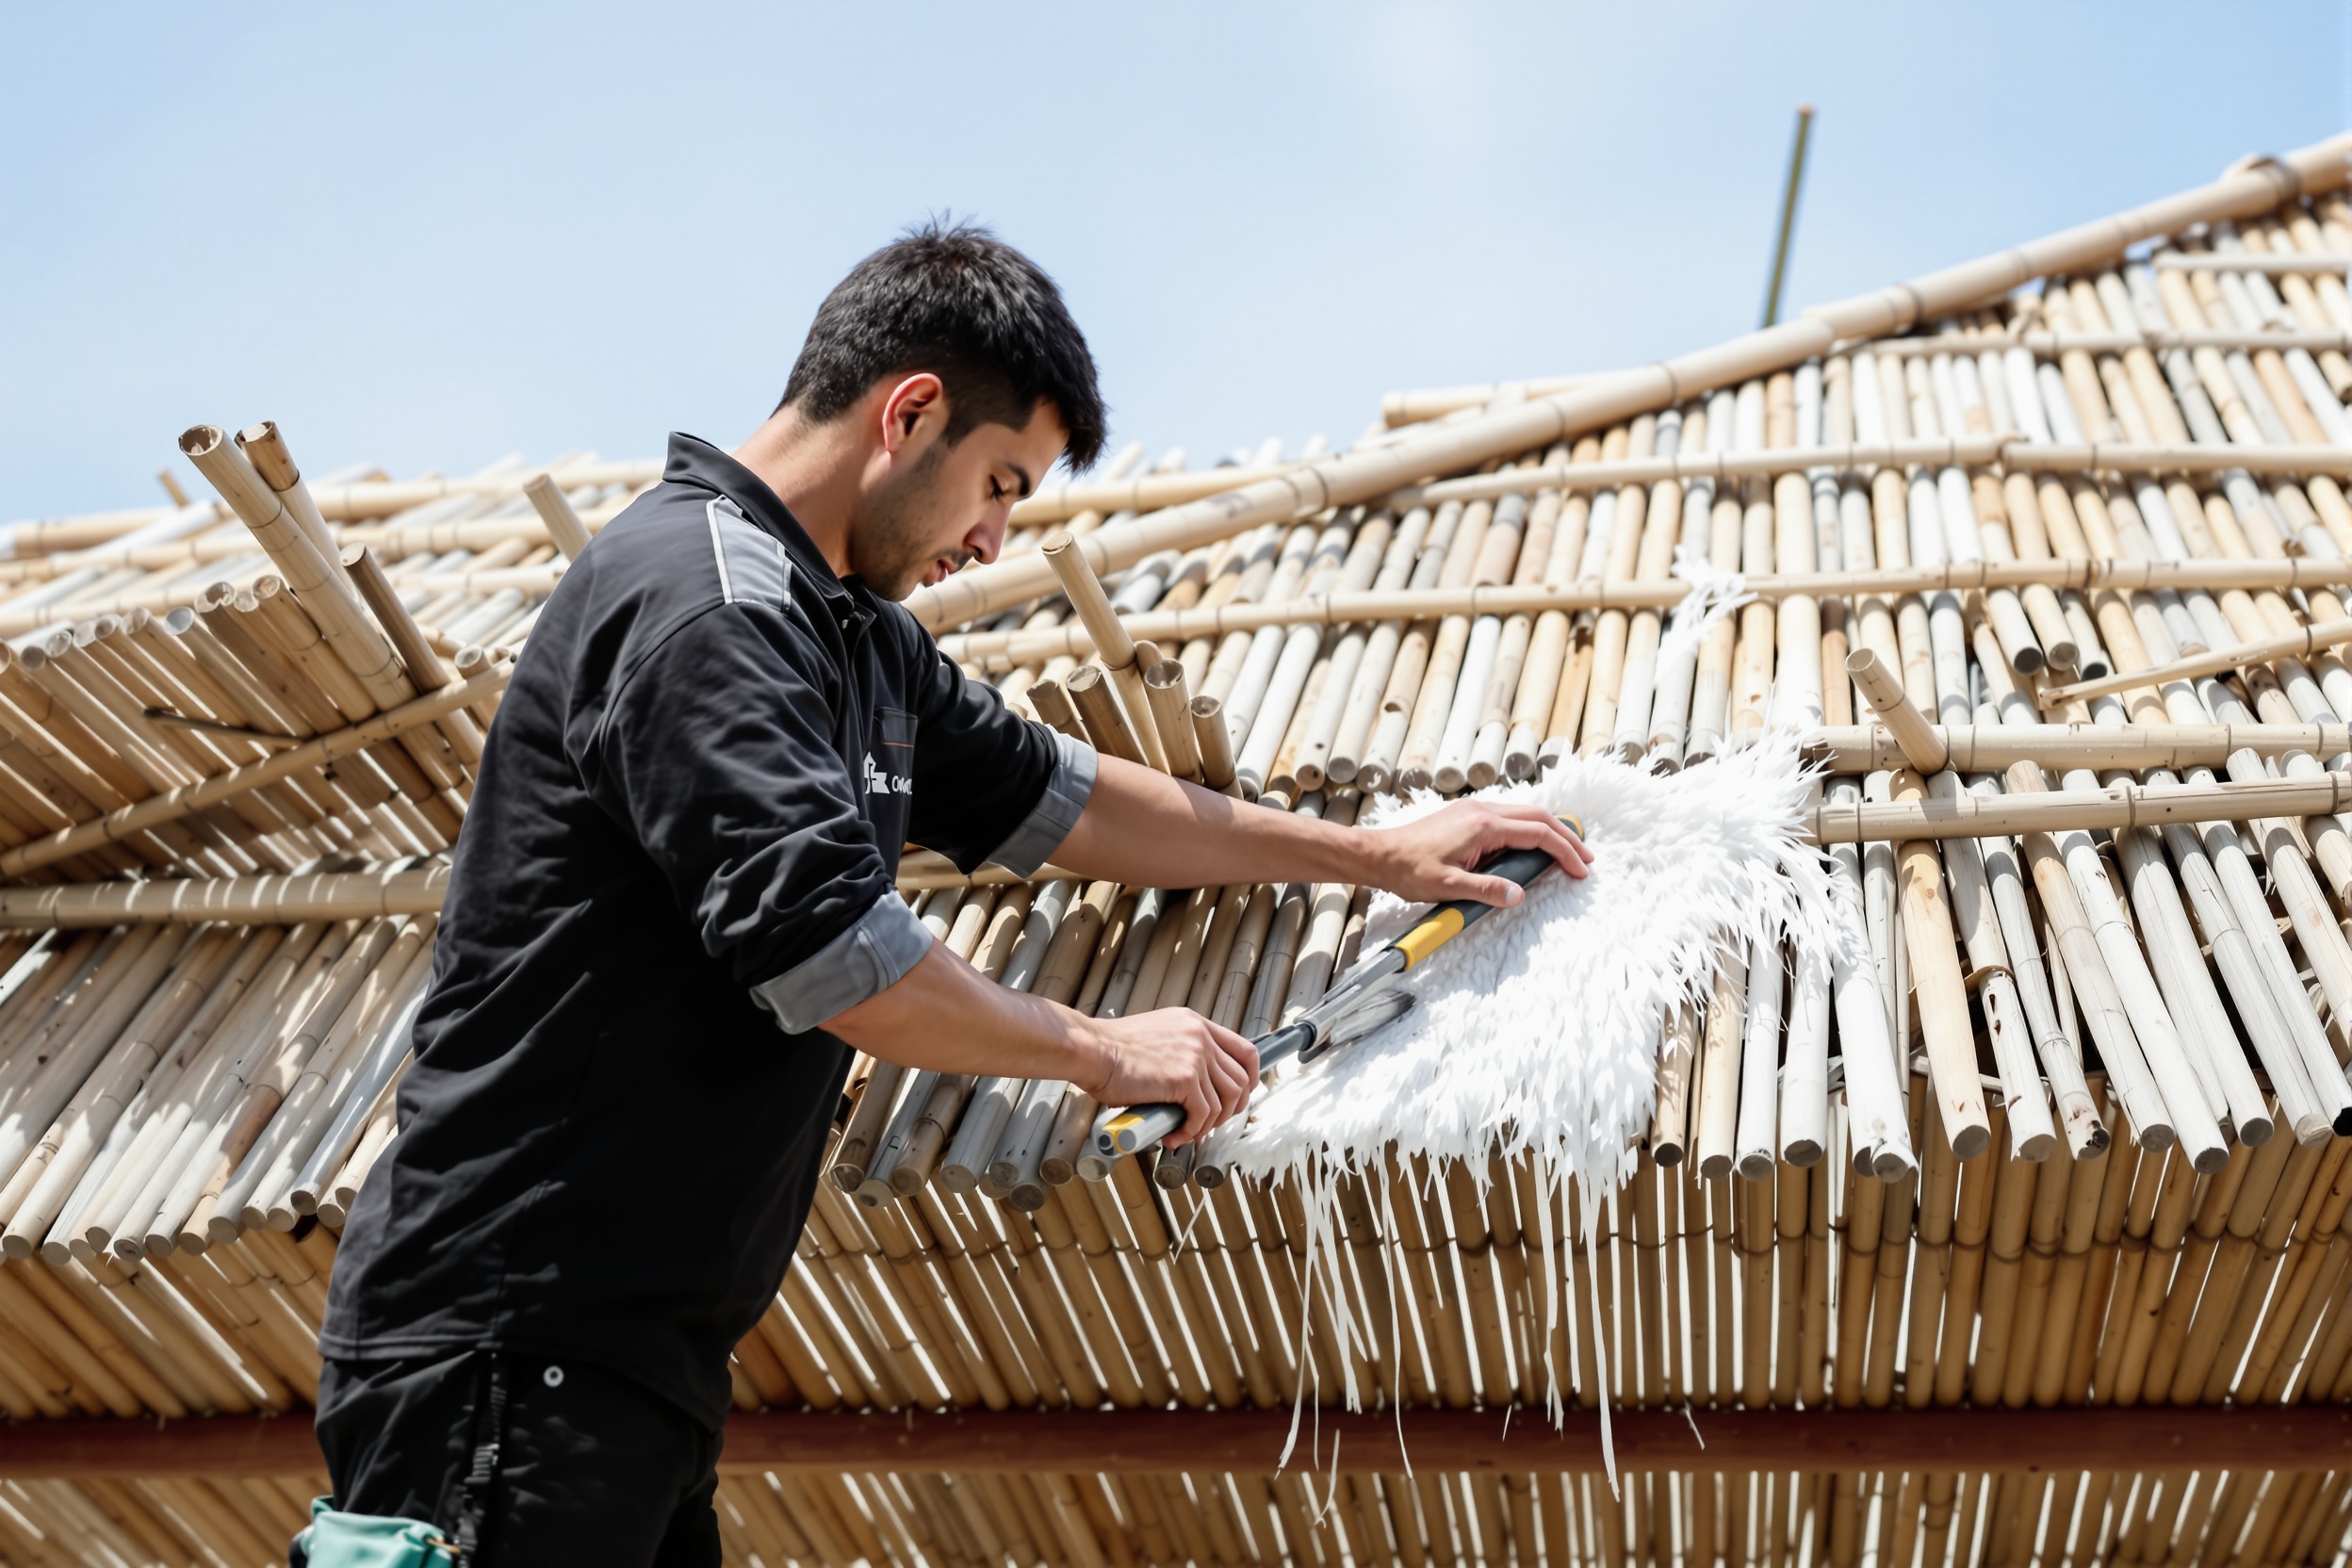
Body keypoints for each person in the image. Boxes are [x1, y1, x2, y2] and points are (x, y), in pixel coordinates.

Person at [312, 220, 1589, 1566]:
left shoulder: (853, 636)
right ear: (908, 411)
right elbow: (832, 955)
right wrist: (1100, 1050)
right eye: (1000, 484)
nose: (990, 539)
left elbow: (1080, 801)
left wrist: (1371, 854)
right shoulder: (708, 605)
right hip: (508, 1351)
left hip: (629, 1367)